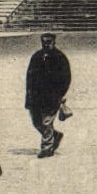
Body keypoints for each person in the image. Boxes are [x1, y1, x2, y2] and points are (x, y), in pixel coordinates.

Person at [25, 31, 71, 159]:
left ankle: (47, 148)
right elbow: (29, 77)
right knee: (36, 122)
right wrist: (28, 95)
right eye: (44, 42)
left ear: (54, 42)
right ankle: (54, 135)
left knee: (46, 122)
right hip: (36, 97)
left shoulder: (60, 58)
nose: (46, 45)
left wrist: (60, 94)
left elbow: (66, 78)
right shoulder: (36, 57)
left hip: (52, 97)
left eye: (49, 42)